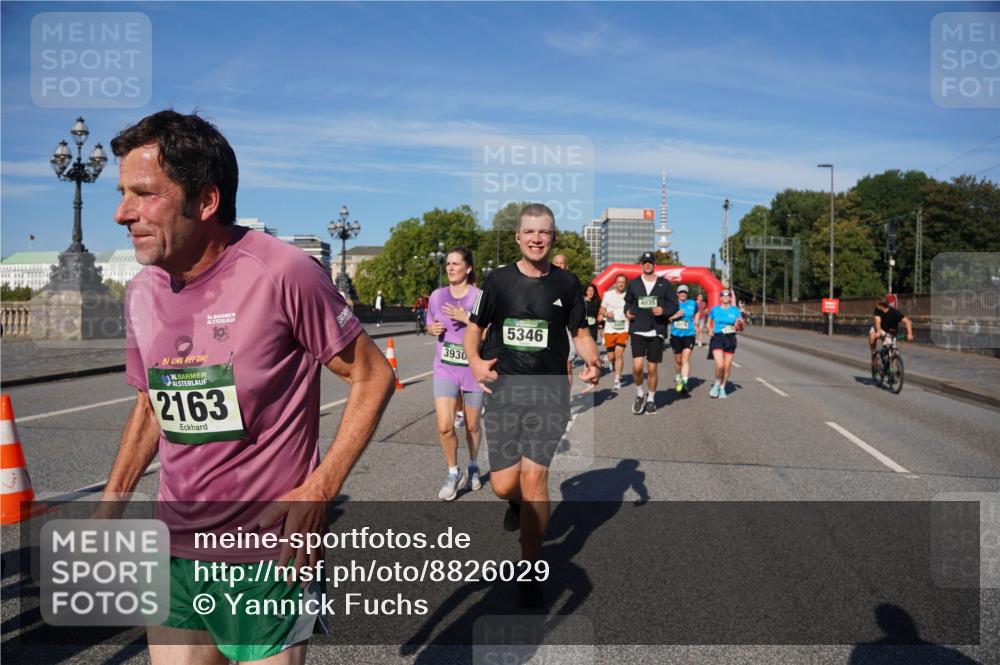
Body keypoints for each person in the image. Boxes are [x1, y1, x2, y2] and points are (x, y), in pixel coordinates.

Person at [99, 110, 395, 664]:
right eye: (121, 193)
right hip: (175, 553)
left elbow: (373, 375)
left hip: (267, 555)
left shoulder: (283, 272)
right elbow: (151, 404)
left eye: (143, 194)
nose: (122, 213)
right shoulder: (141, 292)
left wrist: (320, 488)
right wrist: (111, 504)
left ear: (206, 201)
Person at [464, 203, 601, 607]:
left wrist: (593, 360)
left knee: (535, 478)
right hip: (505, 392)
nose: (537, 238)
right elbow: (475, 329)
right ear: (518, 238)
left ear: (553, 237)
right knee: (505, 485)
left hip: (550, 392)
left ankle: (530, 569)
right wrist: (474, 362)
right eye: (530, 232)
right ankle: (515, 503)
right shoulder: (499, 281)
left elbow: (580, 331)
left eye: (544, 232)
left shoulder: (567, 284)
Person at [426, 247, 484, 500]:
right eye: (447, 263)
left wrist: (467, 317)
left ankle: (473, 465)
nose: (450, 267)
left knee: (472, 425)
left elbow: (489, 332)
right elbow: (430, 322)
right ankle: (452, 471)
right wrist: (432, 328)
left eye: (455, 263)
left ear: (468, 268)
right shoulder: (437, 296)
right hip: (445, 367)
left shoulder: (479, 296)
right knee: (444, 426)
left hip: (473, 367)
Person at [624, 252, 678, 415]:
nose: (647, 264)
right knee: (638, 367)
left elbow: (674, 305)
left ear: (654, 264)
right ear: (641, 265)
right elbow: (627, 302)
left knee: (652, 368)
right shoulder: (633, 284)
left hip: (657, 330)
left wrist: (664, 310)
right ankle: (640, 393)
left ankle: (651, 398)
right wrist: (627, 311)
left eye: (650, 262)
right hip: (638, 328)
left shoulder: (664, 284)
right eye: (645, 262)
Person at [706, 288, 743, 399]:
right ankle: (717, 383)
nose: (726, 297)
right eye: (724, 296)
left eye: (728, 296)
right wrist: (710, 329)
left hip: (730, 339)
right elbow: (708, 322)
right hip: (717, 338)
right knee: (720, 365)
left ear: (730, 298)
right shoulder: (714, 309)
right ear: (720, 297)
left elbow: (741, 327)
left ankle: (722, 387)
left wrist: (740, 324)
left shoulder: (735, 310)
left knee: (727, 367)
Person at [598, 273, 629, 392]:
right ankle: (612, 362)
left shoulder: (629, 296)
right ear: (615, 283)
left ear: (625, 283)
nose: (621, 284)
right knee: (611, 356)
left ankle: (617, 379)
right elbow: (602, 309)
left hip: (623, 329)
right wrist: (606, 314)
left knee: (619, 353)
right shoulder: (608, 295)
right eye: (619, 282)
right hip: (610, 329)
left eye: (623, 282)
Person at [668, 284, 697, 393]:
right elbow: (667, 318)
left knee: (686, 358)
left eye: (685, 292)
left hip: (689, 334)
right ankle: (678, 378)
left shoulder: (692, 303)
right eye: (681, 292)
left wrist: (697, 322)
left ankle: (685, 381)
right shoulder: (672, 305)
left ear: (687, 294)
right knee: (678, 360)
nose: (683, 294)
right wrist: (675, 316)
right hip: (676, 335)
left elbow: (698, 312)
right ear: (677, 294)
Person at [869, 297, 914, 366]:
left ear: (881, 305)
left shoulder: (895, 313)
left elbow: (907, 321)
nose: (875, 306)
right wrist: (878, 332)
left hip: (891, 333)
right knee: (872, 336)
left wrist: (910, 334)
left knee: (893, 351)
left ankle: (892, 371)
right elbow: (877, 321)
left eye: (877, 304)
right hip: (881, 329)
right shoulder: (877, 310)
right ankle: (874, 354)